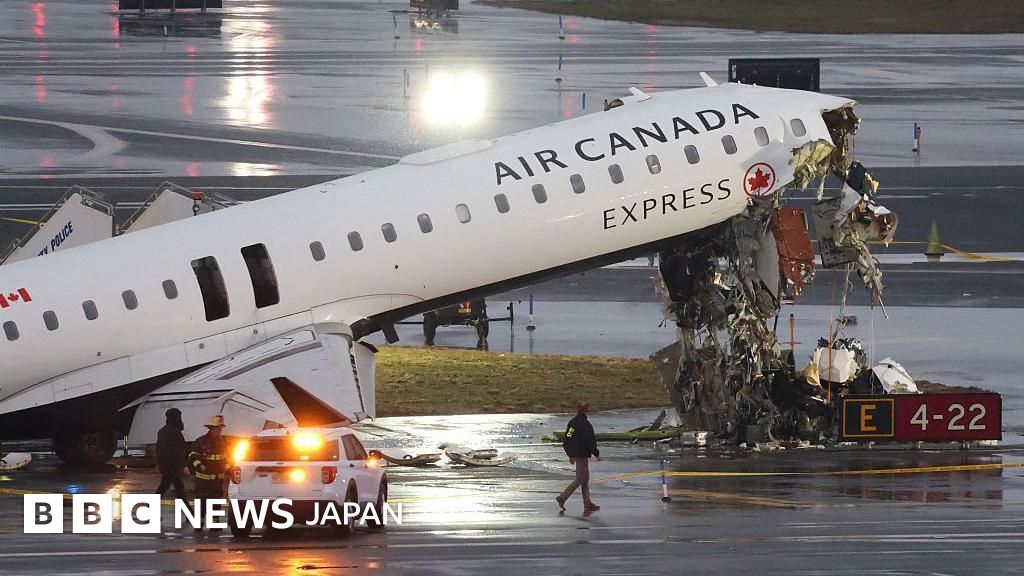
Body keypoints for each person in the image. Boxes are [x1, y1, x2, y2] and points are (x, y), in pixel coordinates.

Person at [556, 401, 601, 512]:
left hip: (576, 454)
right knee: (580, 479)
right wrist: (596, 453)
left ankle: (587, 503)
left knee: (584, 480)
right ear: (586, 410)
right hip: (582, 455)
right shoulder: (586, 425)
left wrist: (570, 454)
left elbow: (568, 438)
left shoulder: (572, 424)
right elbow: (590, 441)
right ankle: (563, 497)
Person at [188, 414, 229, 531]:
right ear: (212, 429)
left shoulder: (222, 442)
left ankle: (214, 524)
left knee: (216, 501)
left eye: (221, 428)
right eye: (218, 428)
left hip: (217, 479)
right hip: (203, 479)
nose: (220, 431)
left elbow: (225, 458)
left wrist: (228, 468)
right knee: (202, 502)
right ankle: (198, 524)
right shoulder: (201, 441)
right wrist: (199, 466)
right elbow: (193, 456)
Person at [155, 408, 189, 499]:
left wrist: (160, 463)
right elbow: (179, 451)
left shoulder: (162, 432)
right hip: (173, 466)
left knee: (168, 488)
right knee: (176, 488)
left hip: (166, 465)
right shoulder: (176, 433)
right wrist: (183, 465)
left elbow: (159, 449)